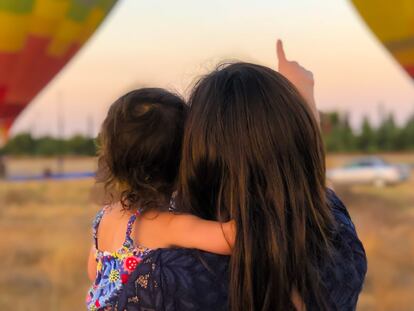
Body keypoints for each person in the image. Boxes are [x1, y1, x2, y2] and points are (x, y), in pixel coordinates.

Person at [115, 41, 367, 311]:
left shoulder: (162, 281)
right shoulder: (340, 245)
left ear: (199, 161)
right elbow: (308, 182)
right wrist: (300, 100)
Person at [86, 88, 236, 311]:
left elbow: (94, 272)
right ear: (186, 158)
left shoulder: (105, 217)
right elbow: (232, 238)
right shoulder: (168, 225)